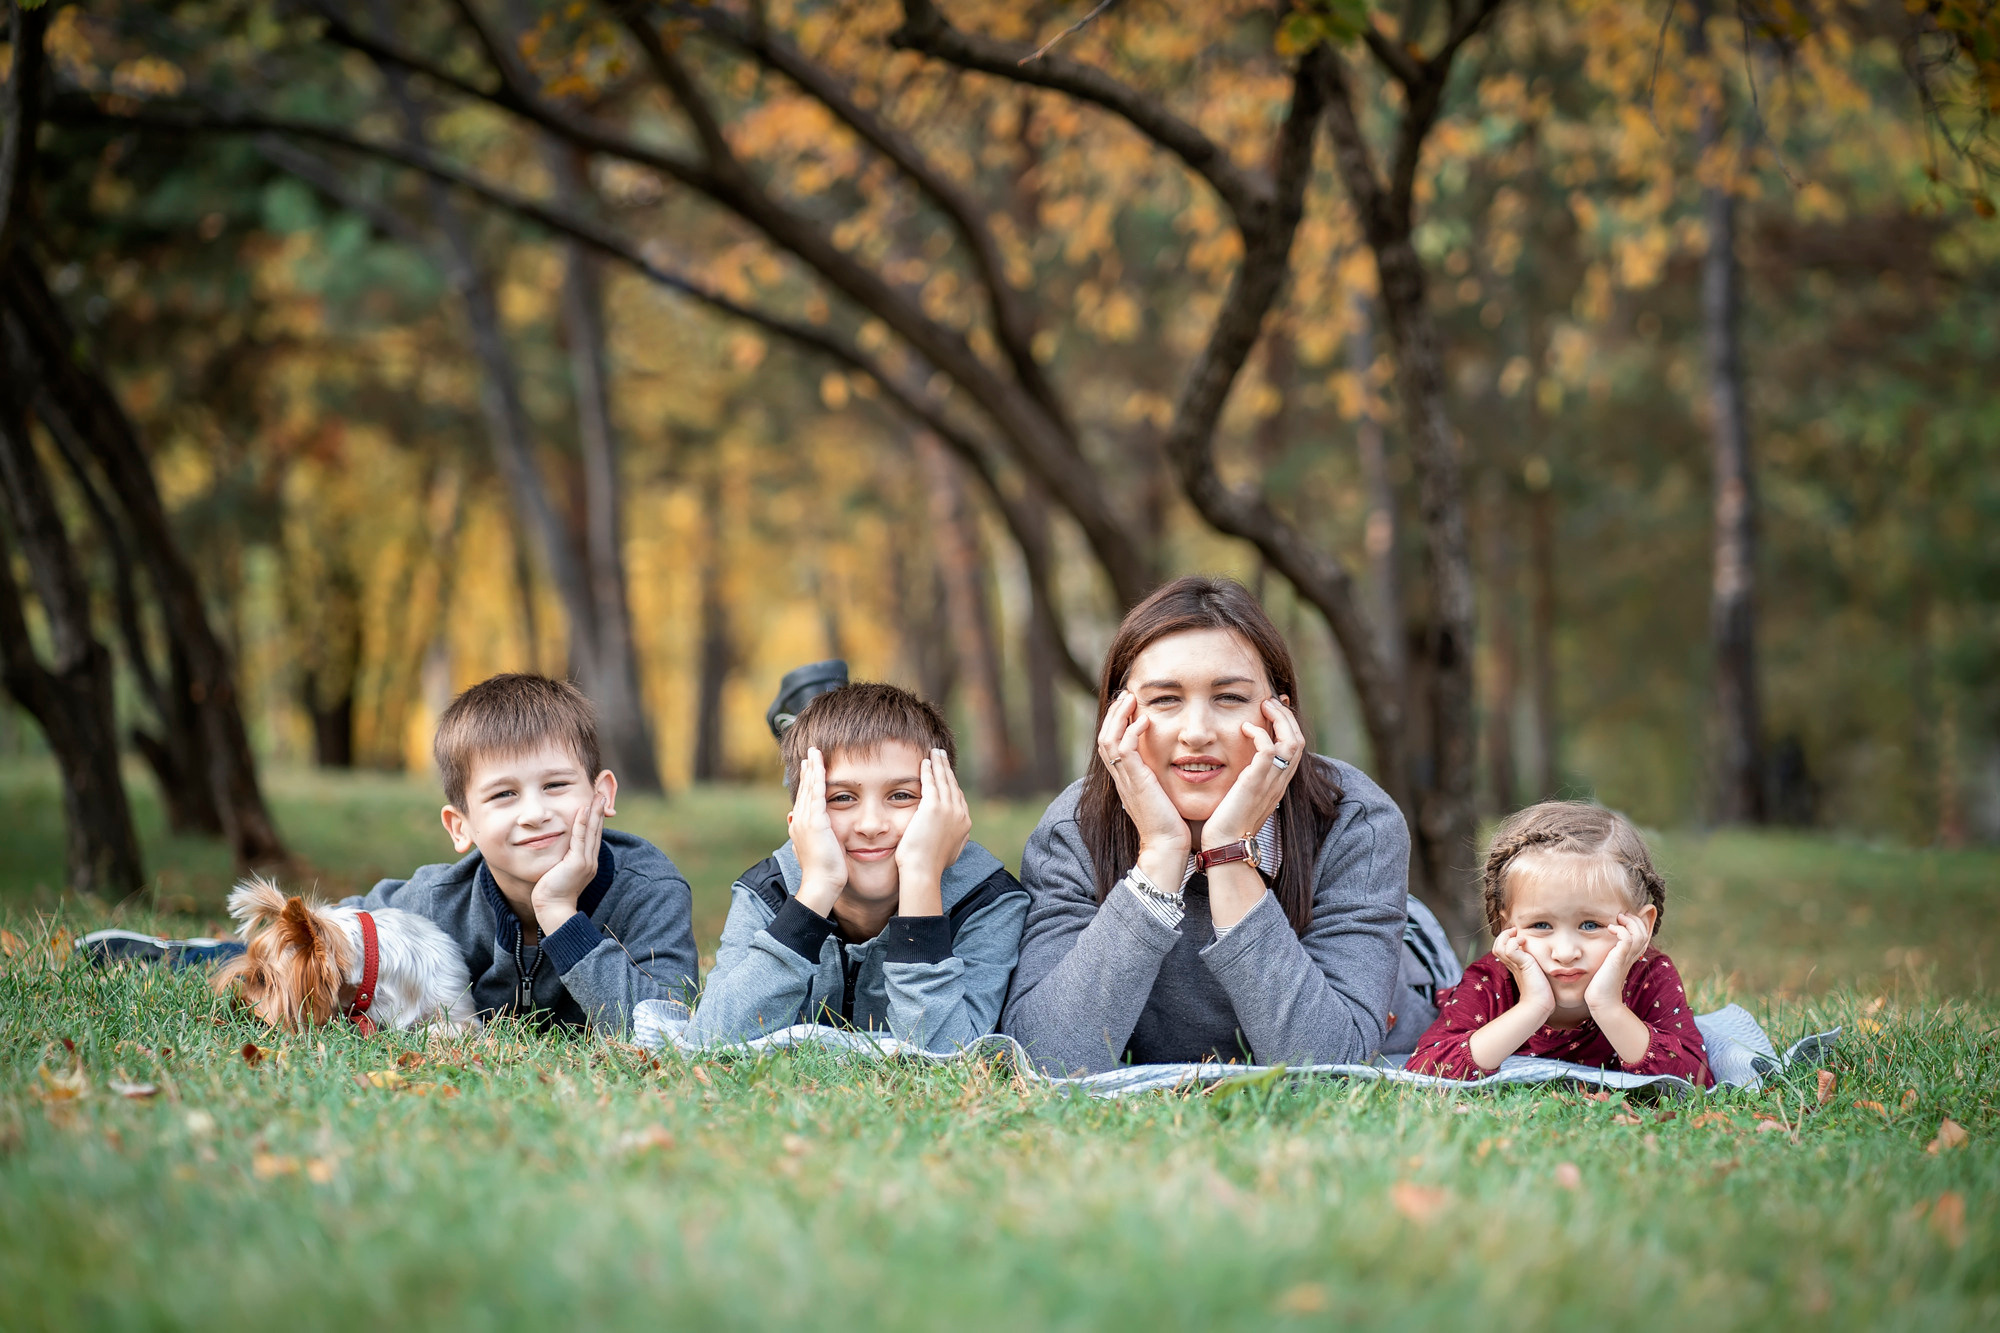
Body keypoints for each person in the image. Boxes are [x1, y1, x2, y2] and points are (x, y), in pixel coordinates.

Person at [1002, 576, 1420, 1076]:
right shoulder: (1073, 831)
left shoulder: (1356, 822)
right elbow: (1048, 1060)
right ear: (1119, 716)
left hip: (1402, 973)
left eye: (1228, 698)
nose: (1196, 733)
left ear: (1277, 717)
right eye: (1164, 700)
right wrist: (1159, 853)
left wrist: (1228, 853)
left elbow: (1328, 1067)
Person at [338, 673, 697, 1033]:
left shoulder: (650, 892)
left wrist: (559, 914)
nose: (535, 814)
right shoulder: (440, 900)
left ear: (601, 794)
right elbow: (328, 933)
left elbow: (667, 1029)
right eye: (503, 795)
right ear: (460, 827)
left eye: (555, 785)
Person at [687, 682, 1028, 1052]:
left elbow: (953, 1055)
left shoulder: (988, 902)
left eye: (901, 795)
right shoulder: (768, 892)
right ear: (800, 817)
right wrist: (815, 889)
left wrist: (921, 877)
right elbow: (709, 1041)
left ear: (949, 807)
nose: (871, 824)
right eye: (842, 798)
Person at [1404, 801, 1713, 1086]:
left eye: (1590, 925)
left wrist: (1608, 1006)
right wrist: (1532, 1007)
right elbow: (1426, 1072)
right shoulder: (1491, 981)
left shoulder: (1650, 978)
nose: (1565, 953)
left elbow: (1695, 1078)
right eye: (1541, 925)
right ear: (1507, 927)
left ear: (1640, 926)